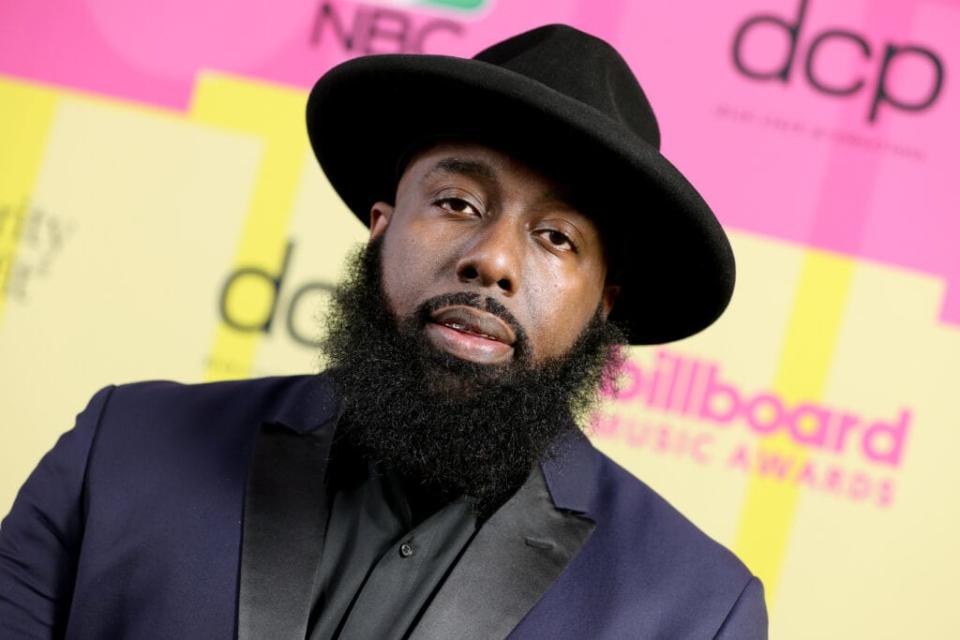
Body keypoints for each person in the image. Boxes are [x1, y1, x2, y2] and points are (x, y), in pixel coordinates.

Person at [0, 24, 767, 639]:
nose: (492, 260)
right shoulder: (125, 448)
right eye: (458, 204)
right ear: (382, 226)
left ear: (605, 305)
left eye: (557, 238)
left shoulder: (695, 612)